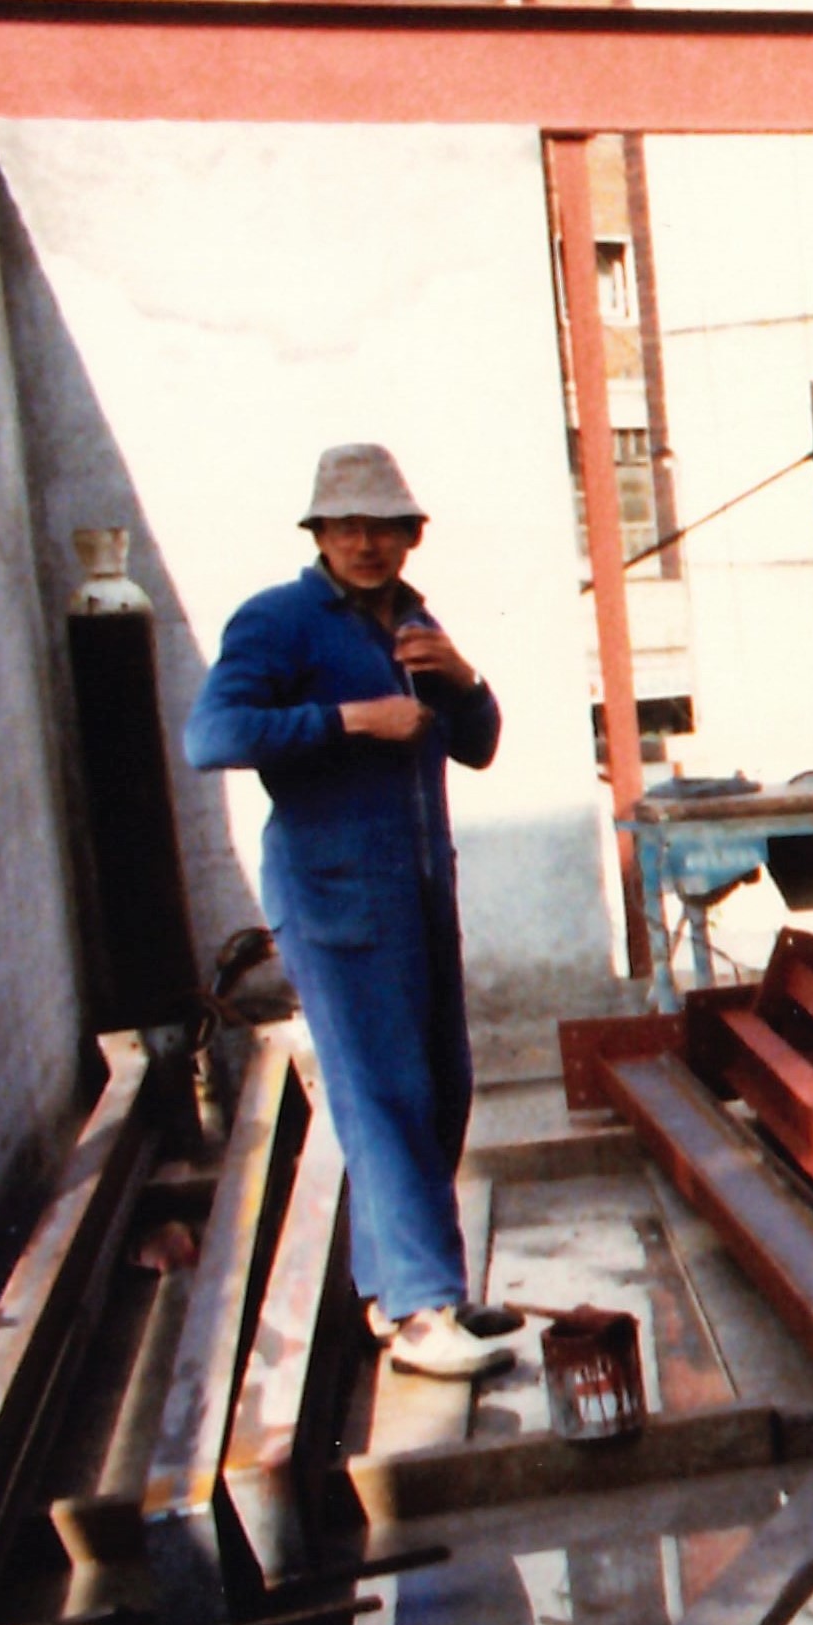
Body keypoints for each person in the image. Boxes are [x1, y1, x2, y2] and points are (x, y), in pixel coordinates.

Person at [184, 446, 513, 1378]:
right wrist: (350, 720)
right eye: (346, 526)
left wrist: (461, 678)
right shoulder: (281, 621)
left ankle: (392, 1291)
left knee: (439, 1088)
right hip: (333, 899)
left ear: (413, 535)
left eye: (384, 526)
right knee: (384, 1097)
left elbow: (479, 746)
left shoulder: (414, 623)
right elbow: (212, 734)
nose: (366, 543)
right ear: (319, 535)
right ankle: (421, 1310)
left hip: (416, 893)